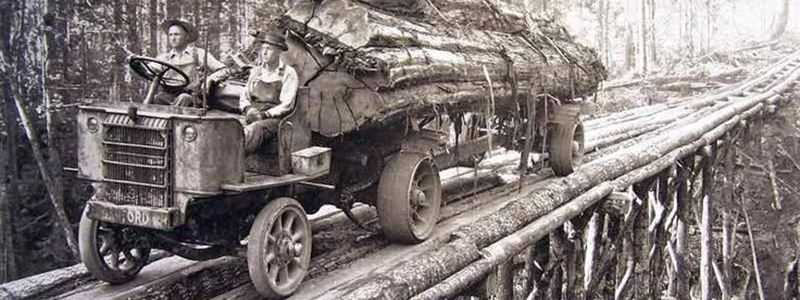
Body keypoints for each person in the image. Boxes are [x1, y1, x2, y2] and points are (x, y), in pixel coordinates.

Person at [239, 31, 298, 154]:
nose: (264, 52)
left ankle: (232, 161)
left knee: (256, 128)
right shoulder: (256, 72)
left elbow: (287, 104)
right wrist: (248, 109)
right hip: (254, 115)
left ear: (278, 52)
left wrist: (265, 115)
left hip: (275, 121)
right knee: (230, 126)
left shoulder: (288, 73)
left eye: (269, 49)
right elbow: (244, 96)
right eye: (263, 48)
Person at [152, 19, 226, 106]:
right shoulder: (164, 58)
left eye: (177, 34)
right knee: (157, 98)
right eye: (170, 35)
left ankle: (172, 119)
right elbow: (148, 69)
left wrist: (210, 79)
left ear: (187, 36)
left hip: (193, 99)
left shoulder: (198, 54)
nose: (173, 38)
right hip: (170, 96)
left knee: (184, 98)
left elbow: (223, 70)